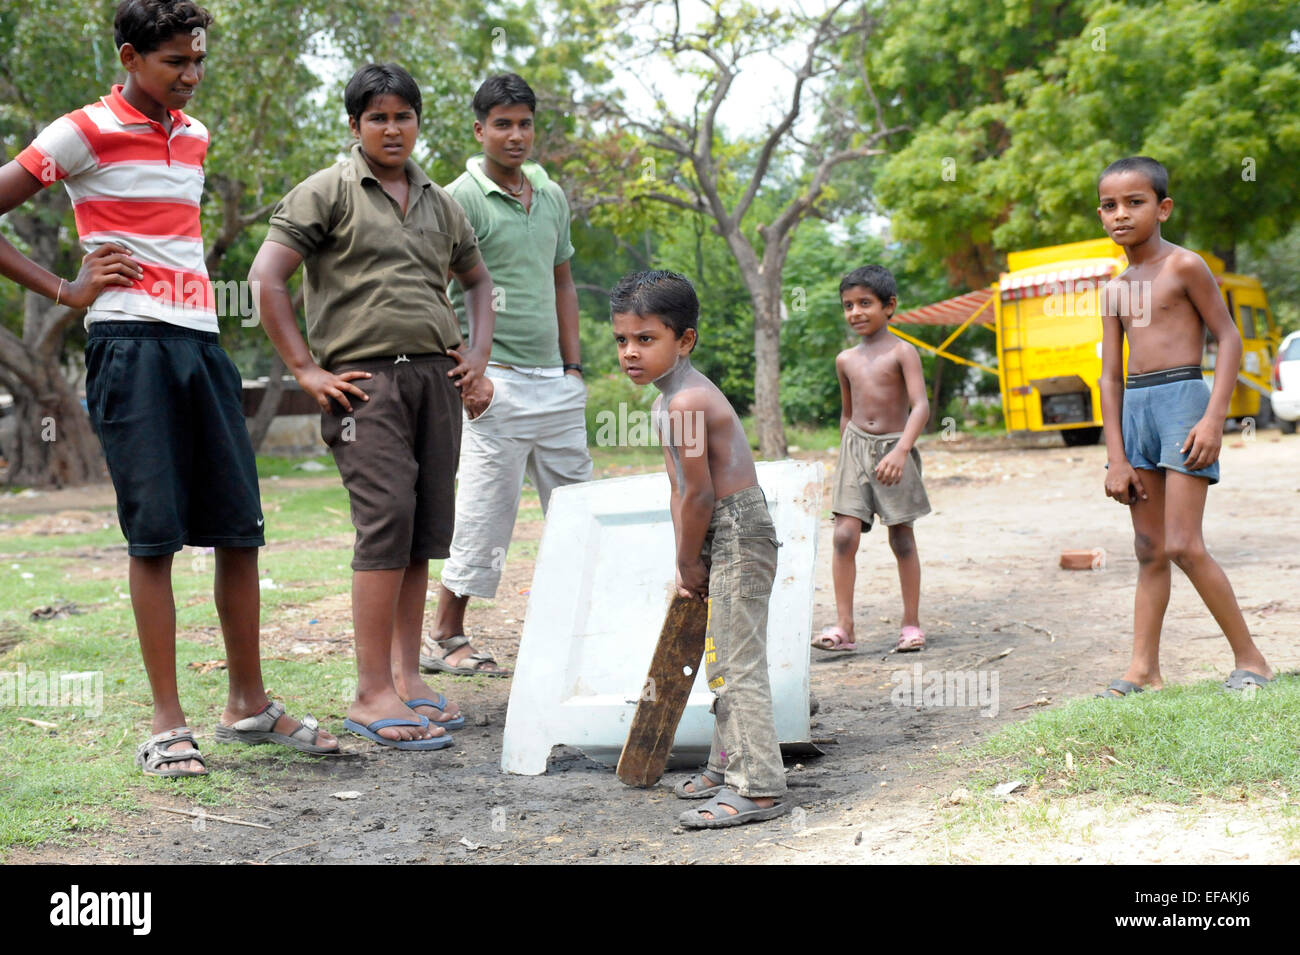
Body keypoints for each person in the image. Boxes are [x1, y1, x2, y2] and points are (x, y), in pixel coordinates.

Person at [0, 0, 338, 775]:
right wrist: (64, 287)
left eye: (198, 61)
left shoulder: (195, 137)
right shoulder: (79, 131)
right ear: (129, 57)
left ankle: (248, 705)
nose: (190, 76)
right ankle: (165, 721)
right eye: (173, 62)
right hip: (129, 348)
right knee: (153, 536)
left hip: (202, 347)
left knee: (238, 528)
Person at [249, 63, 495, 748]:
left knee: (421, 527)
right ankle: (369, 692)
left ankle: (406, 678)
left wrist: (475, 356)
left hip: (434, 381)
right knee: (386, 519)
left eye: (404, 116)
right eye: (378, 117)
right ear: (355, 125)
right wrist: (304, 368)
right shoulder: (327, 191)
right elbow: (266, 278)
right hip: (366, 385)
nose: (393, 128)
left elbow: (477, 281)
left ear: (419, 122)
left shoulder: (440, 201)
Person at [426, 73, 592, 677]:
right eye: (502, 124)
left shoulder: (550, 197)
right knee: (483, 514)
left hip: (555, 382)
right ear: (479, 130)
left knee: (579, 510)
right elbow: (434, 291)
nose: (515, 135)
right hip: (494, 382)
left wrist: (574, 369)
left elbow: (563, 282)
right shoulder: (456, 199)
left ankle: (589, 624)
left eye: (524, 123)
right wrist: (469, 371)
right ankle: (446, 633)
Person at [610, 270, 788, 829]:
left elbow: (699, 494)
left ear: (684, 340)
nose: (630, 353)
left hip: (736, 528)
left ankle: (759, 787)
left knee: (735, 662)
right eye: (621, 340)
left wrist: (689, 559)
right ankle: (725, 763)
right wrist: (686, 555)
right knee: (722, 654)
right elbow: (678, 490)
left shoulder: (686, 401)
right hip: (719, 528)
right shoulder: (668, 402)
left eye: (646, 339)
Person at [1095, 156, 1274, 696]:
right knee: (1148, 548)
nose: (1121, 214)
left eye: (1135, 202)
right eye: (1109, 205)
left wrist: (1214, 417)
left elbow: (1230, 339)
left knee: (1183, 544)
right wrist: (1117, 457)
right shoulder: (1115, 290)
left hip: (1184, 401)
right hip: (1137, 411)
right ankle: (1142, 670)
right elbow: (1108, 378)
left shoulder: (1185, 266)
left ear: (1163, 207)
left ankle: (1254, 661)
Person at [813, 265, 931, 654]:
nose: (855, 312)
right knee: (844, 535)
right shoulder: (845, 359)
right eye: (848, 305)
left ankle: (910, 623)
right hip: (855, 450)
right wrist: (843, 457)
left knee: (901, 538)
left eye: (865, 303)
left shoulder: (903, 351)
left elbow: (921, 407)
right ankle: (844, 626)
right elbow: (847, 413)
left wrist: (901, 451)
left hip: (895, 448)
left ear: (889, 306)